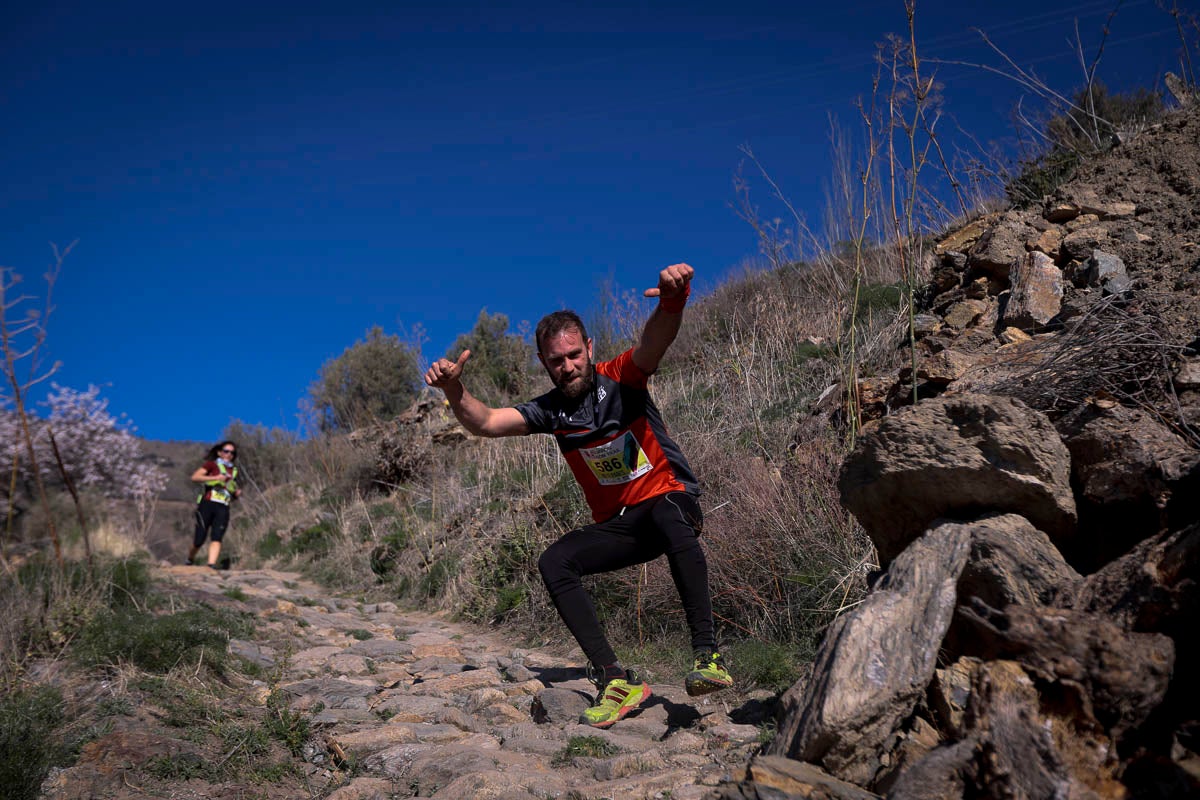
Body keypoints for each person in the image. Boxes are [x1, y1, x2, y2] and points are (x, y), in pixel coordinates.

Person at [424, 262, 732, 729]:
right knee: (555, 561)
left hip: (672, 500)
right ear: (545, 364)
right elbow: (485, 422)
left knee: (668, 513)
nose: (568, 366)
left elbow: (656, 341)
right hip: (624, 525)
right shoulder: (550, 411)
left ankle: (707, 657)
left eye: (574, 355)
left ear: (589, 348)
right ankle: (615, 679)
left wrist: (673, 299)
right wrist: (454, 389)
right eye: (556, 360)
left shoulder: (623, 379)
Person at [188, 441, 241, 569]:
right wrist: (215, 478)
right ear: (219, 452)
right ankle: (190, 558)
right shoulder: (211, 465)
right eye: (226, 451)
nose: (229, 454)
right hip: (207, 504)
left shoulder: (234, 471)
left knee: (217, 536)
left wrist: (236, 493)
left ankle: (210, 565)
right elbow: (195, 477)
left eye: (232, 452)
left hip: (223, 506)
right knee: (199, 539)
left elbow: (231, 489)